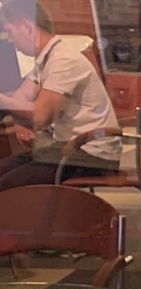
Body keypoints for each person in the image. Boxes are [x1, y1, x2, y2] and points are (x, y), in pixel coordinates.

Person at [0, 0, 120, 190]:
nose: (10, 40)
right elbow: (20, 98)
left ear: (26, 26)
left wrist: (4, 102)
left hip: (91, 154)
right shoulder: (46, 59)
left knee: (9, 185)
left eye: (10, 31)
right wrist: (16, 114)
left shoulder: (63, 60)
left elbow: (41, 117)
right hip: (68, 149)